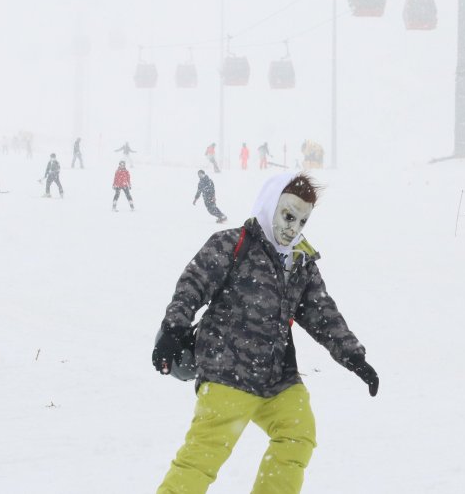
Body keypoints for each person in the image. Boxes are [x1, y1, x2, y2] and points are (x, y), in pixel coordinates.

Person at [153, 172, 377, 494]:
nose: (293, 228)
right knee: (202, 459)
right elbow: (192, 286)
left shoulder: (300, 261)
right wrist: (173, 329)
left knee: (298, 433)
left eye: (302, 221)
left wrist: (354, 356)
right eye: (288, 215)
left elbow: (322, 313)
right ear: (270, 204)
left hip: (277, 378)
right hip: (227, 371)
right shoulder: (233, 244)